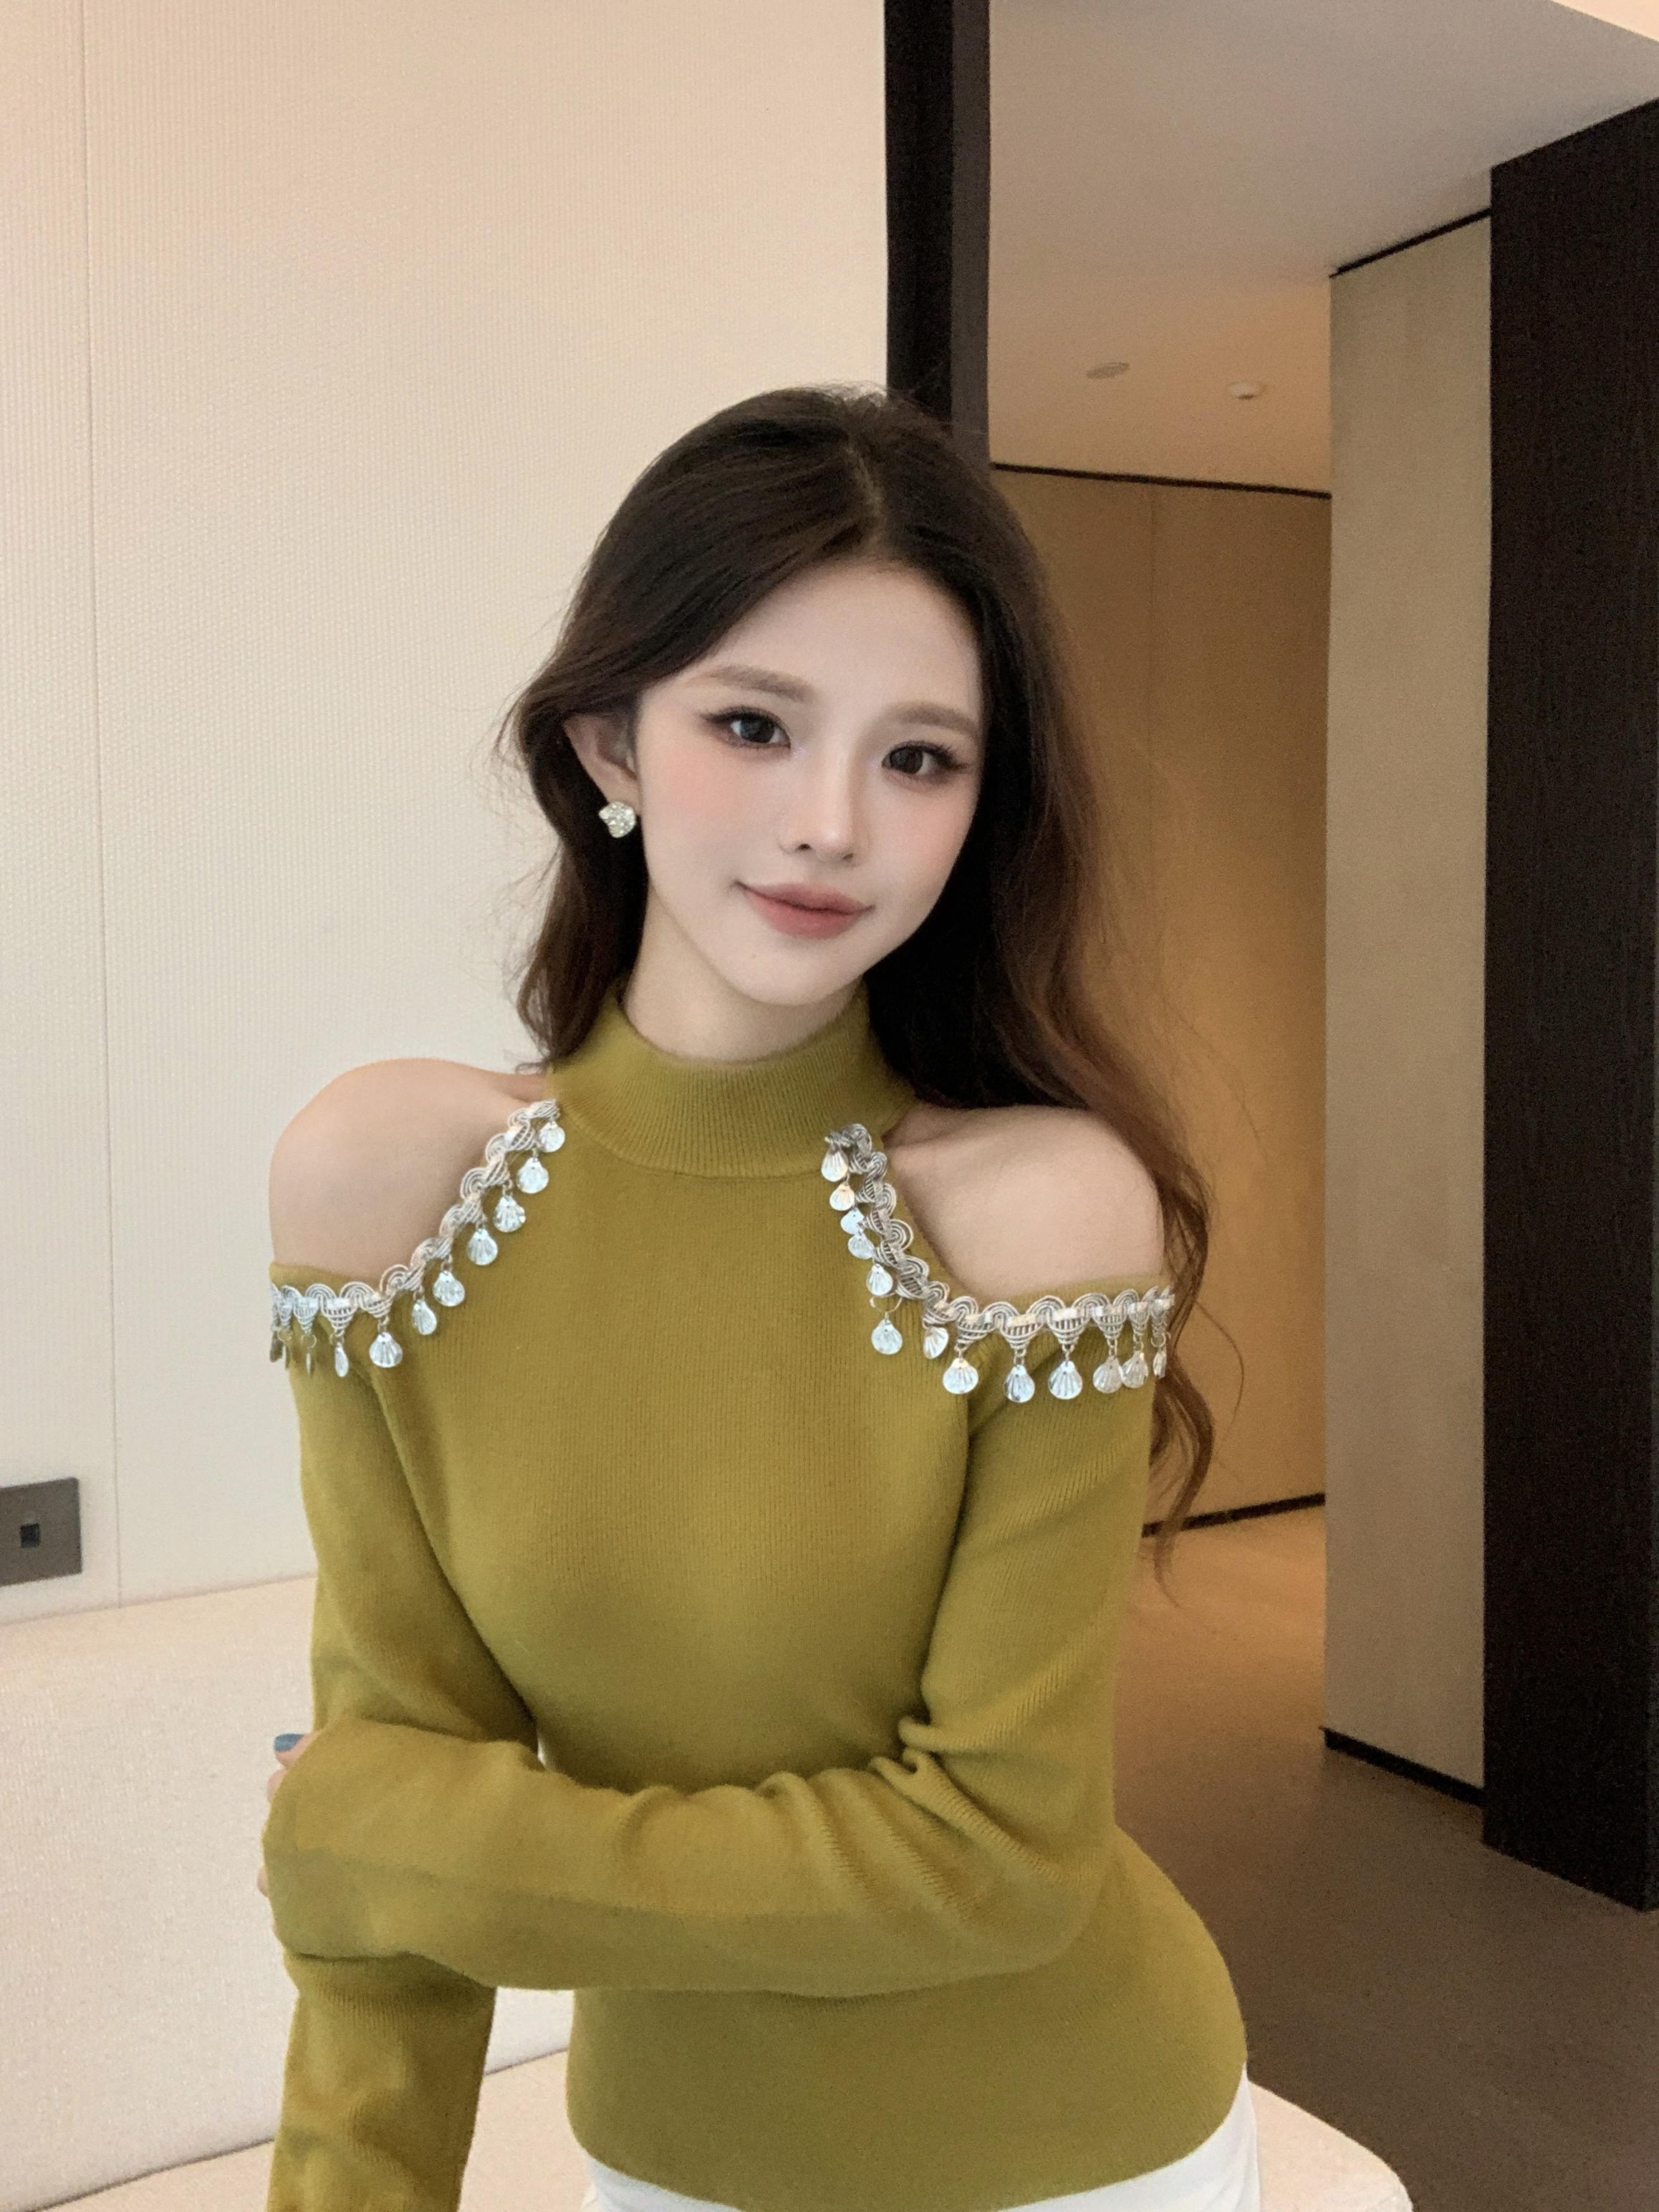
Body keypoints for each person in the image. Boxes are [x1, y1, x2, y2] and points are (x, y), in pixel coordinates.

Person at [258, 384, 1258, 2212]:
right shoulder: (386, 1187)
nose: (831, 823)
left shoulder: (1041, 1212)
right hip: (665, 2159)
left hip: (1082, 2148)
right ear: (610, 741)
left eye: (920, 757)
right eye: (752, 723)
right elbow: (385, 1861)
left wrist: (391, 1833)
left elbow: (999, 1858)